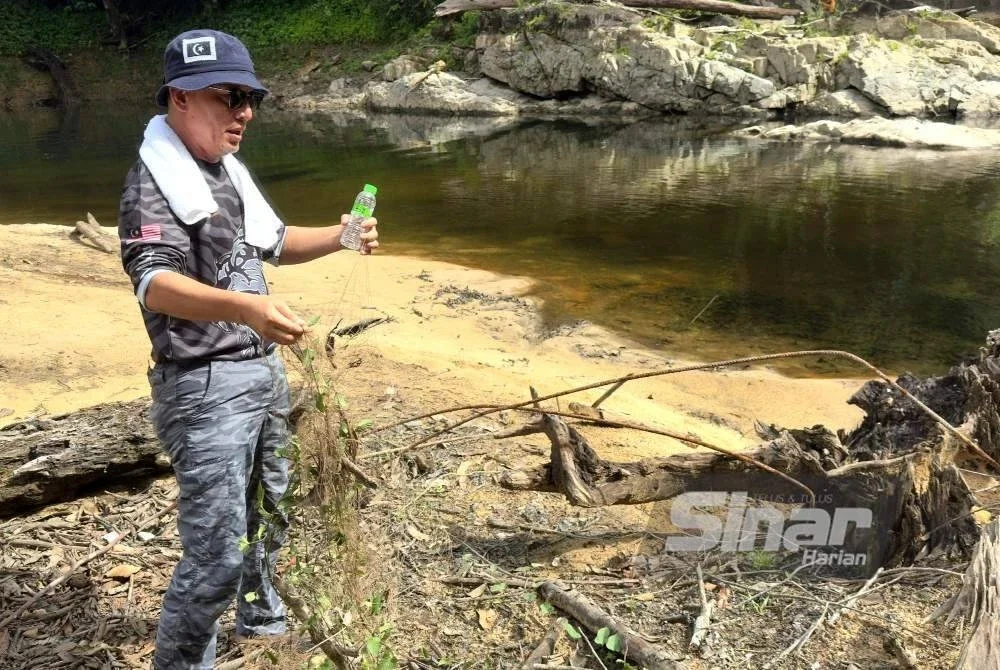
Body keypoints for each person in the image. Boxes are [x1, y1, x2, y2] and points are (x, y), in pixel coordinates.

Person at [117, 29, 379, 670]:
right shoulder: (152, 182)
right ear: (180, 97)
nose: (246, 113)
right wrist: (246, 307)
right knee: (215, 554)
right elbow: (154, 283)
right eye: (229, 97)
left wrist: (342, 234)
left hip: (260, 370)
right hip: (203, 385)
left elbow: (274, 241)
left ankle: (262, 622)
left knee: (269, 510)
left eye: (251, 98)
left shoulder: (223, 169)